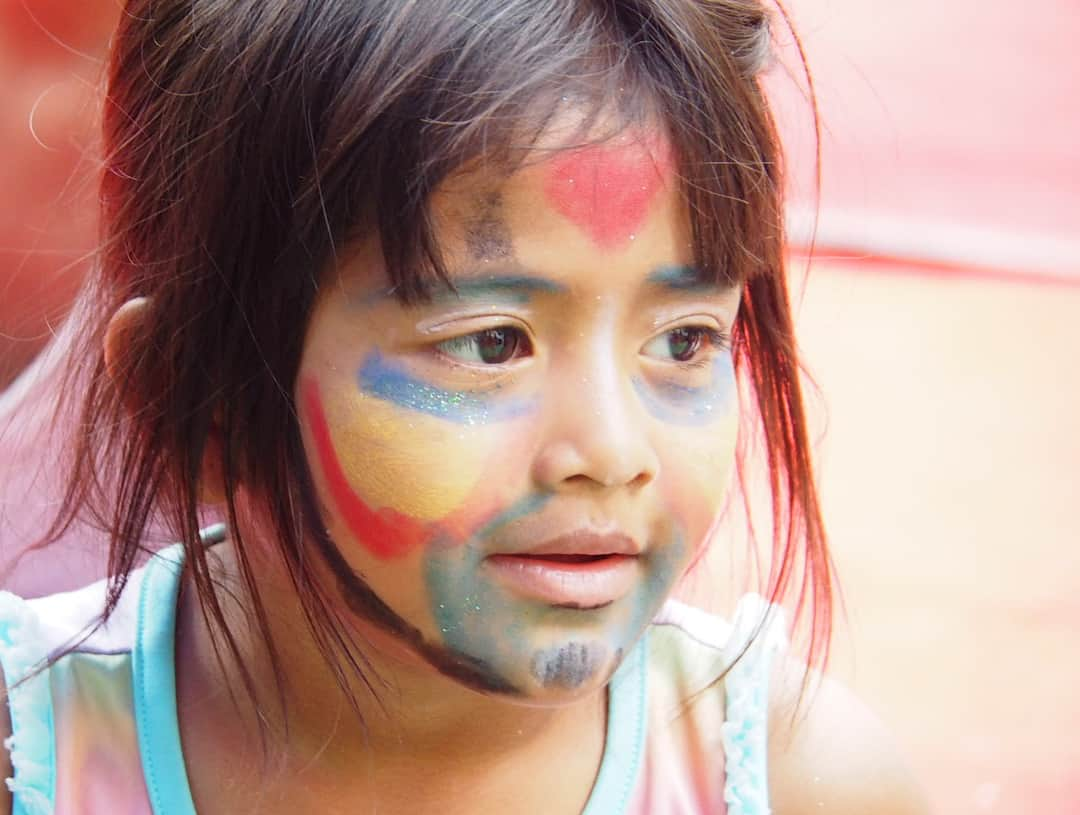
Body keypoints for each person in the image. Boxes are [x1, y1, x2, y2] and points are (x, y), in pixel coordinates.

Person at [0, 1, 930, 812]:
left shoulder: (804, 782)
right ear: (196, 402)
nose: (611, 450)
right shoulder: (27, 759)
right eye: (492, 343)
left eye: (683, 340)